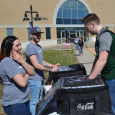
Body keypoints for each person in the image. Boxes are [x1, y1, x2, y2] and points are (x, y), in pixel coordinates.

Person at [83, 13, 115, 115]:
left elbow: (102, 60)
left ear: (92, 24)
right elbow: (97, 59)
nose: (86, 30)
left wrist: (90, 80)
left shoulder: (104, 36)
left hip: (112, 78)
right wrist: (92, 74)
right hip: (108, 76)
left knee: (112, 107)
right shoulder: (100, 36)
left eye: (86, 27)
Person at [26, 27, 60, 115]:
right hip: (34, 79)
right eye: (36, 34)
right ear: (31, 35)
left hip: (40, 78)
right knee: (34, 101)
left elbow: (42, 62)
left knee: (40, 100)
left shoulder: (38, 46)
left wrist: (53, 65)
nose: (38, 36)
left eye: (39, 34)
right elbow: (36, 65)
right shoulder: (30, 47)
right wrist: (50, 69)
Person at [0, 36, 35, 115]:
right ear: (9, 48)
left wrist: (22, 61)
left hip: (23, 101)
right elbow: (22, 83)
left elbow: (32, 72)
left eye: (20, 45)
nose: (20, 47)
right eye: (17, 45)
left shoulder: (18, 59)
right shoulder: (7, 62)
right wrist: (27, 73)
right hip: (14, 104)